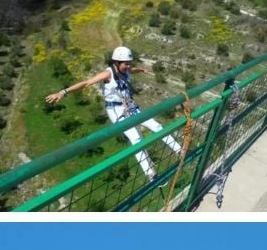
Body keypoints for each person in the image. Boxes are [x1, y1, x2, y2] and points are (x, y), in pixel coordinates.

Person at [45, 46, 182, 181]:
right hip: (116, 110)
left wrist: (140, 70)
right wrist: (63, 92)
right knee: (136, 138)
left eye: (129, 64)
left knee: (156, 126)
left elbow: (131, 71)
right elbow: (86, 83)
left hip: (130, 106)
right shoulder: (108, 74)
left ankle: (180, 150)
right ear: (116, 62)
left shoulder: (126, 69)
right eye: (125, 64)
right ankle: (150, 173)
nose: (128, 66)